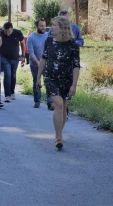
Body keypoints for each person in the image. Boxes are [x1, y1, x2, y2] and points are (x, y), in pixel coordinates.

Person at [37, 16, 80, 150]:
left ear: (62, 27)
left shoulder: (73, 44)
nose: (51, 28)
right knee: (59, 104)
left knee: (64, 106)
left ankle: (59, 133)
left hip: (66, 79)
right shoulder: (49, 41)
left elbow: (76, 65)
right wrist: (38, 78)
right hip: (51, 77)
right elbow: (43, 59)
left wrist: (74, 84)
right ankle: (58, 137)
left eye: (54, 25)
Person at [27, 19, 51, 109]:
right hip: (35, 63)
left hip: (47, 63)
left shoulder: (48, 36)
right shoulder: (31, 38)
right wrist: (38, 63)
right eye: (41, 26)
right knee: (36, 81)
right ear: (36, 26)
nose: (44, 27)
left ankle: (50, 103)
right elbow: (31, 53)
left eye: (44, 25)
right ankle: (37, 101)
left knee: (48, 82)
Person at [0, 22, 25, 103]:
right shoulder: (0, 34)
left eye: (9, 31)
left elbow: (22, 43)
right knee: (7, 74)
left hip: (15, 58)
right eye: (5, 31)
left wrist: (23, 55)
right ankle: (7, 95)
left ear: (12, 29)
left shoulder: (18, 33)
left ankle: (12, 92)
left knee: (13, 75)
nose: (7, 33)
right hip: (4, 57)